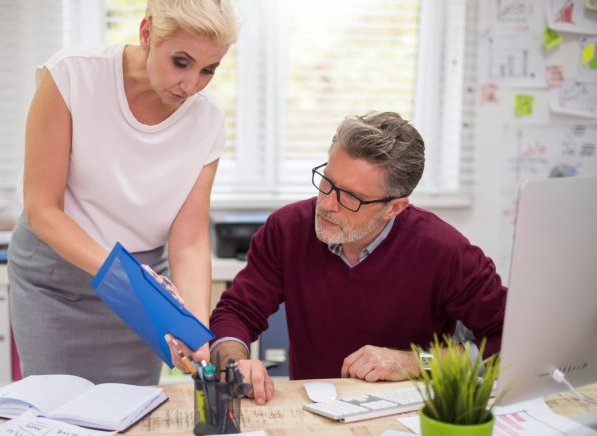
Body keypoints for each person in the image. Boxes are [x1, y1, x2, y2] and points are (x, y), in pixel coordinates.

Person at [8, 0, 238, 385]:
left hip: (142, 290)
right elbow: (42, 209)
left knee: (131, 416)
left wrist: (195, 325)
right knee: (57, 414)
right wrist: (130, 284)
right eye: (181, 62)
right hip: (56, 284)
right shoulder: (72, 75)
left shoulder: (207, 119)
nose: (192, 84)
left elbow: (190, 242)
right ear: (147, 32)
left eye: (208, 70)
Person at [208, 112, 506, 404]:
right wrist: (235, 362)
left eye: (350, 197)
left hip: (409, 416)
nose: (326, 204)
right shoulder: (287, 228)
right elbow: (237, 312)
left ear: (394, 207)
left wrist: (416, 362)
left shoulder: (445, 250)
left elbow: (510, 342)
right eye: (327, 181)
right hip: (313, 410)